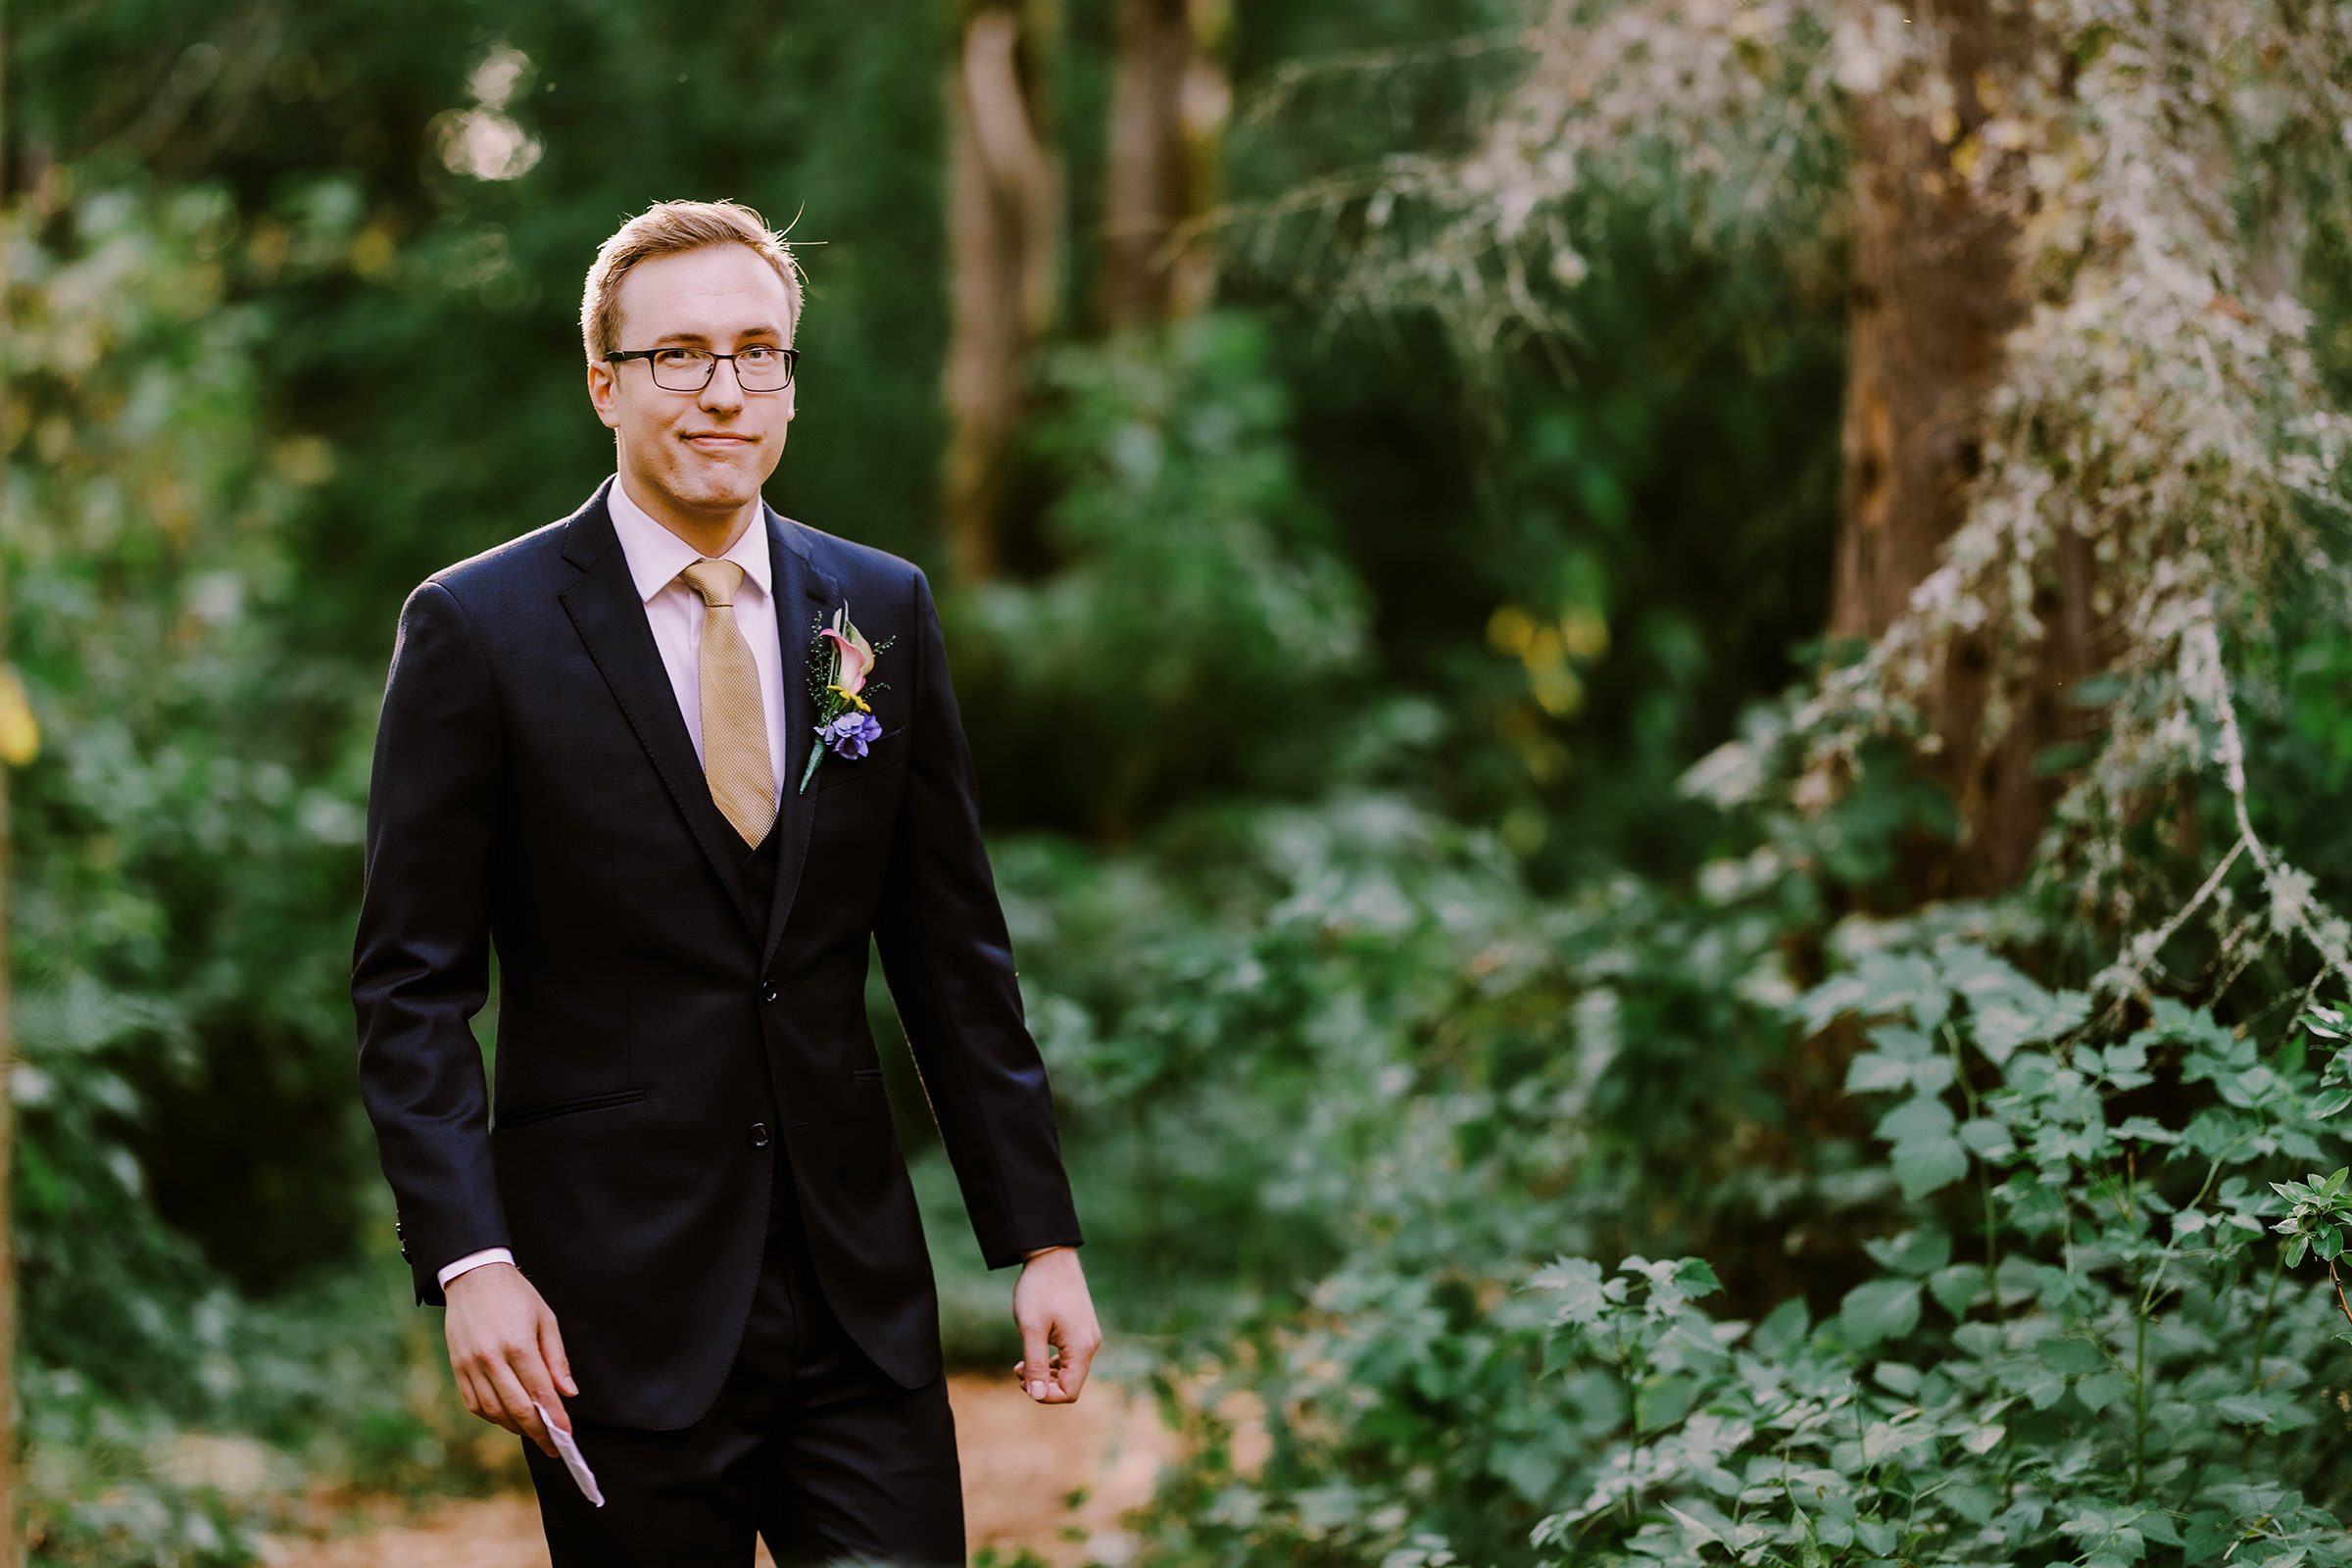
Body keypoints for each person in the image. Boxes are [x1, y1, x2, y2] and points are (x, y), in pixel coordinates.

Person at [351, 197, 1102, 1566]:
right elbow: (411, 987)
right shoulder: (477, 628)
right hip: (609, 1309)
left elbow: (953, 958)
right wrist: (473, 1261)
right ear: (605, 383)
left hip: (858, 1305)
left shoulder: (878, 610)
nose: (723, 390)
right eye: (679, 356)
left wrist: (1039, 1239)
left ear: (790, 381)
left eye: (758, 352)